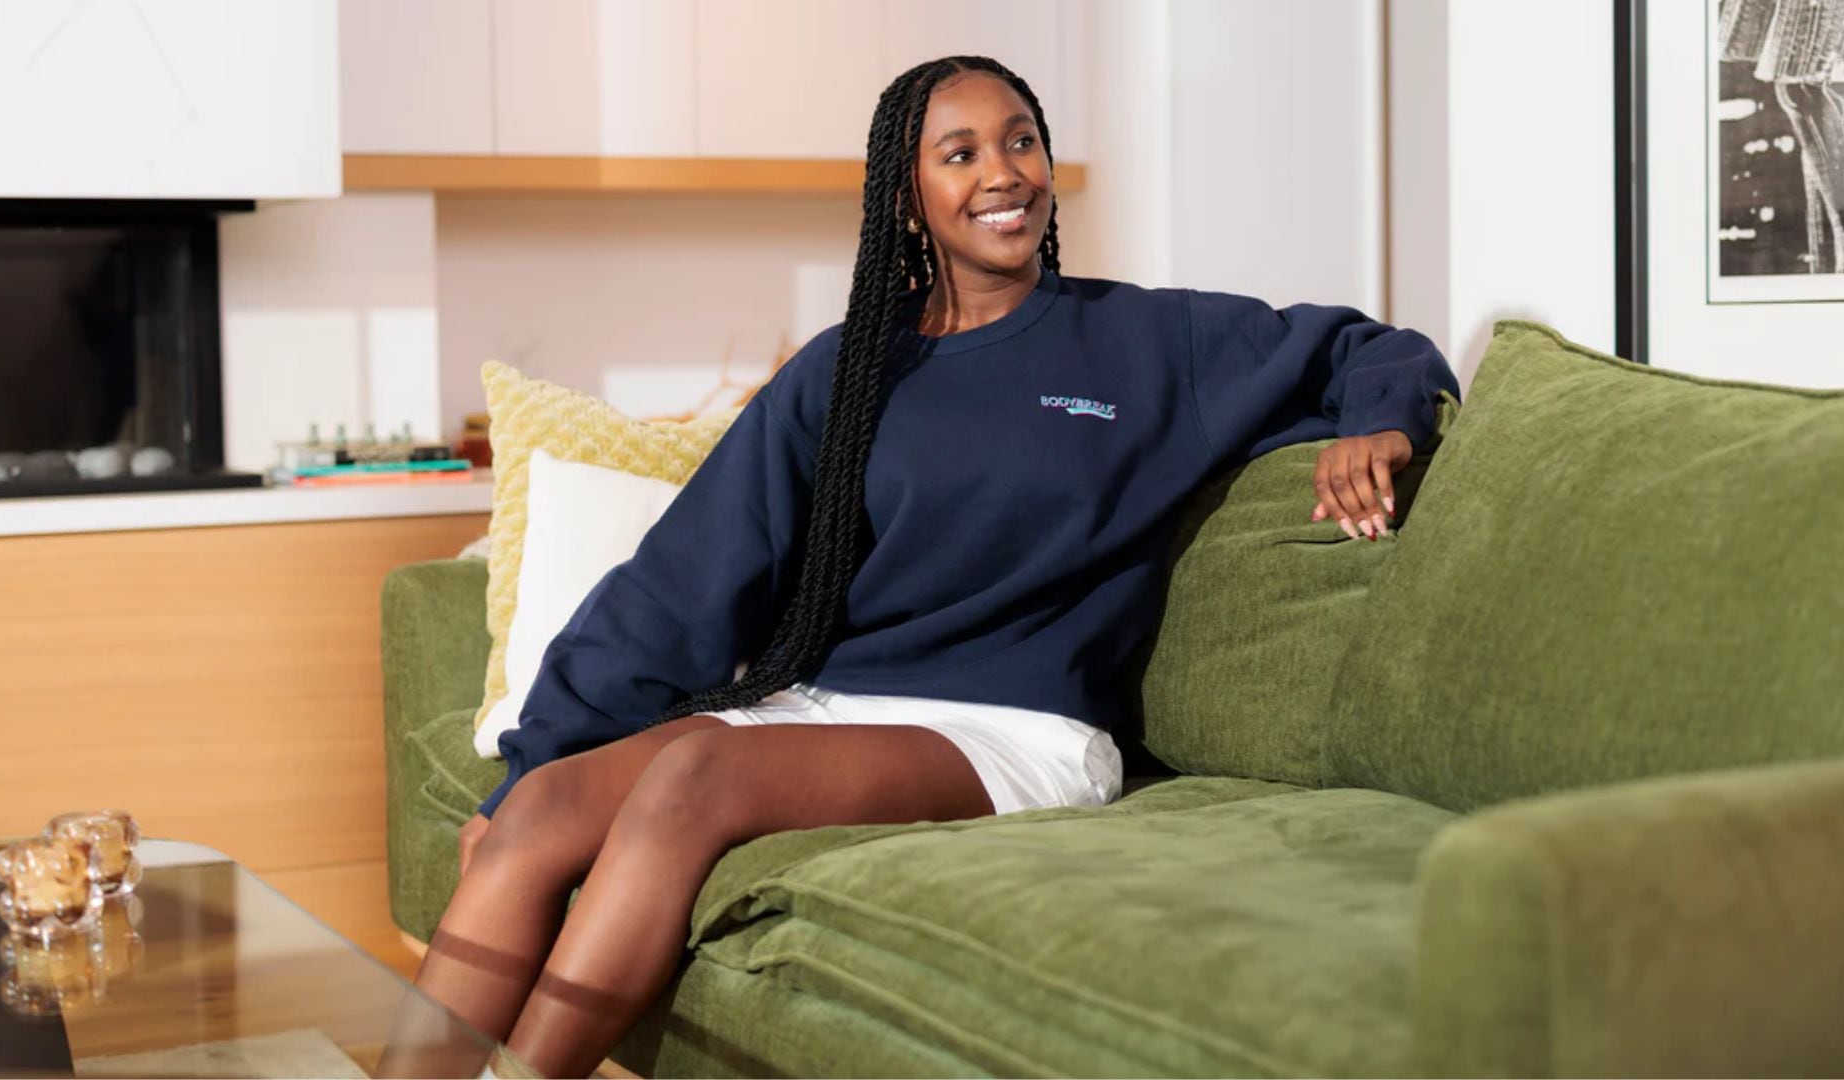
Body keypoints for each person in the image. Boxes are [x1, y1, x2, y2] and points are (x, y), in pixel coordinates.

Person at [386, 55, 1459, 1079]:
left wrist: (1383, 427)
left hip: (1018, 733)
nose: (1003, 172)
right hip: (825, 707)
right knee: (535, 815)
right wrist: (542, 758)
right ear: (907, 198)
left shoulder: (1142, 340)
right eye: (960, 152)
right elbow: (688, 577)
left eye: (1022, 141)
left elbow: (1360, 346)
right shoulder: (849, 371)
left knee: (692, 778)